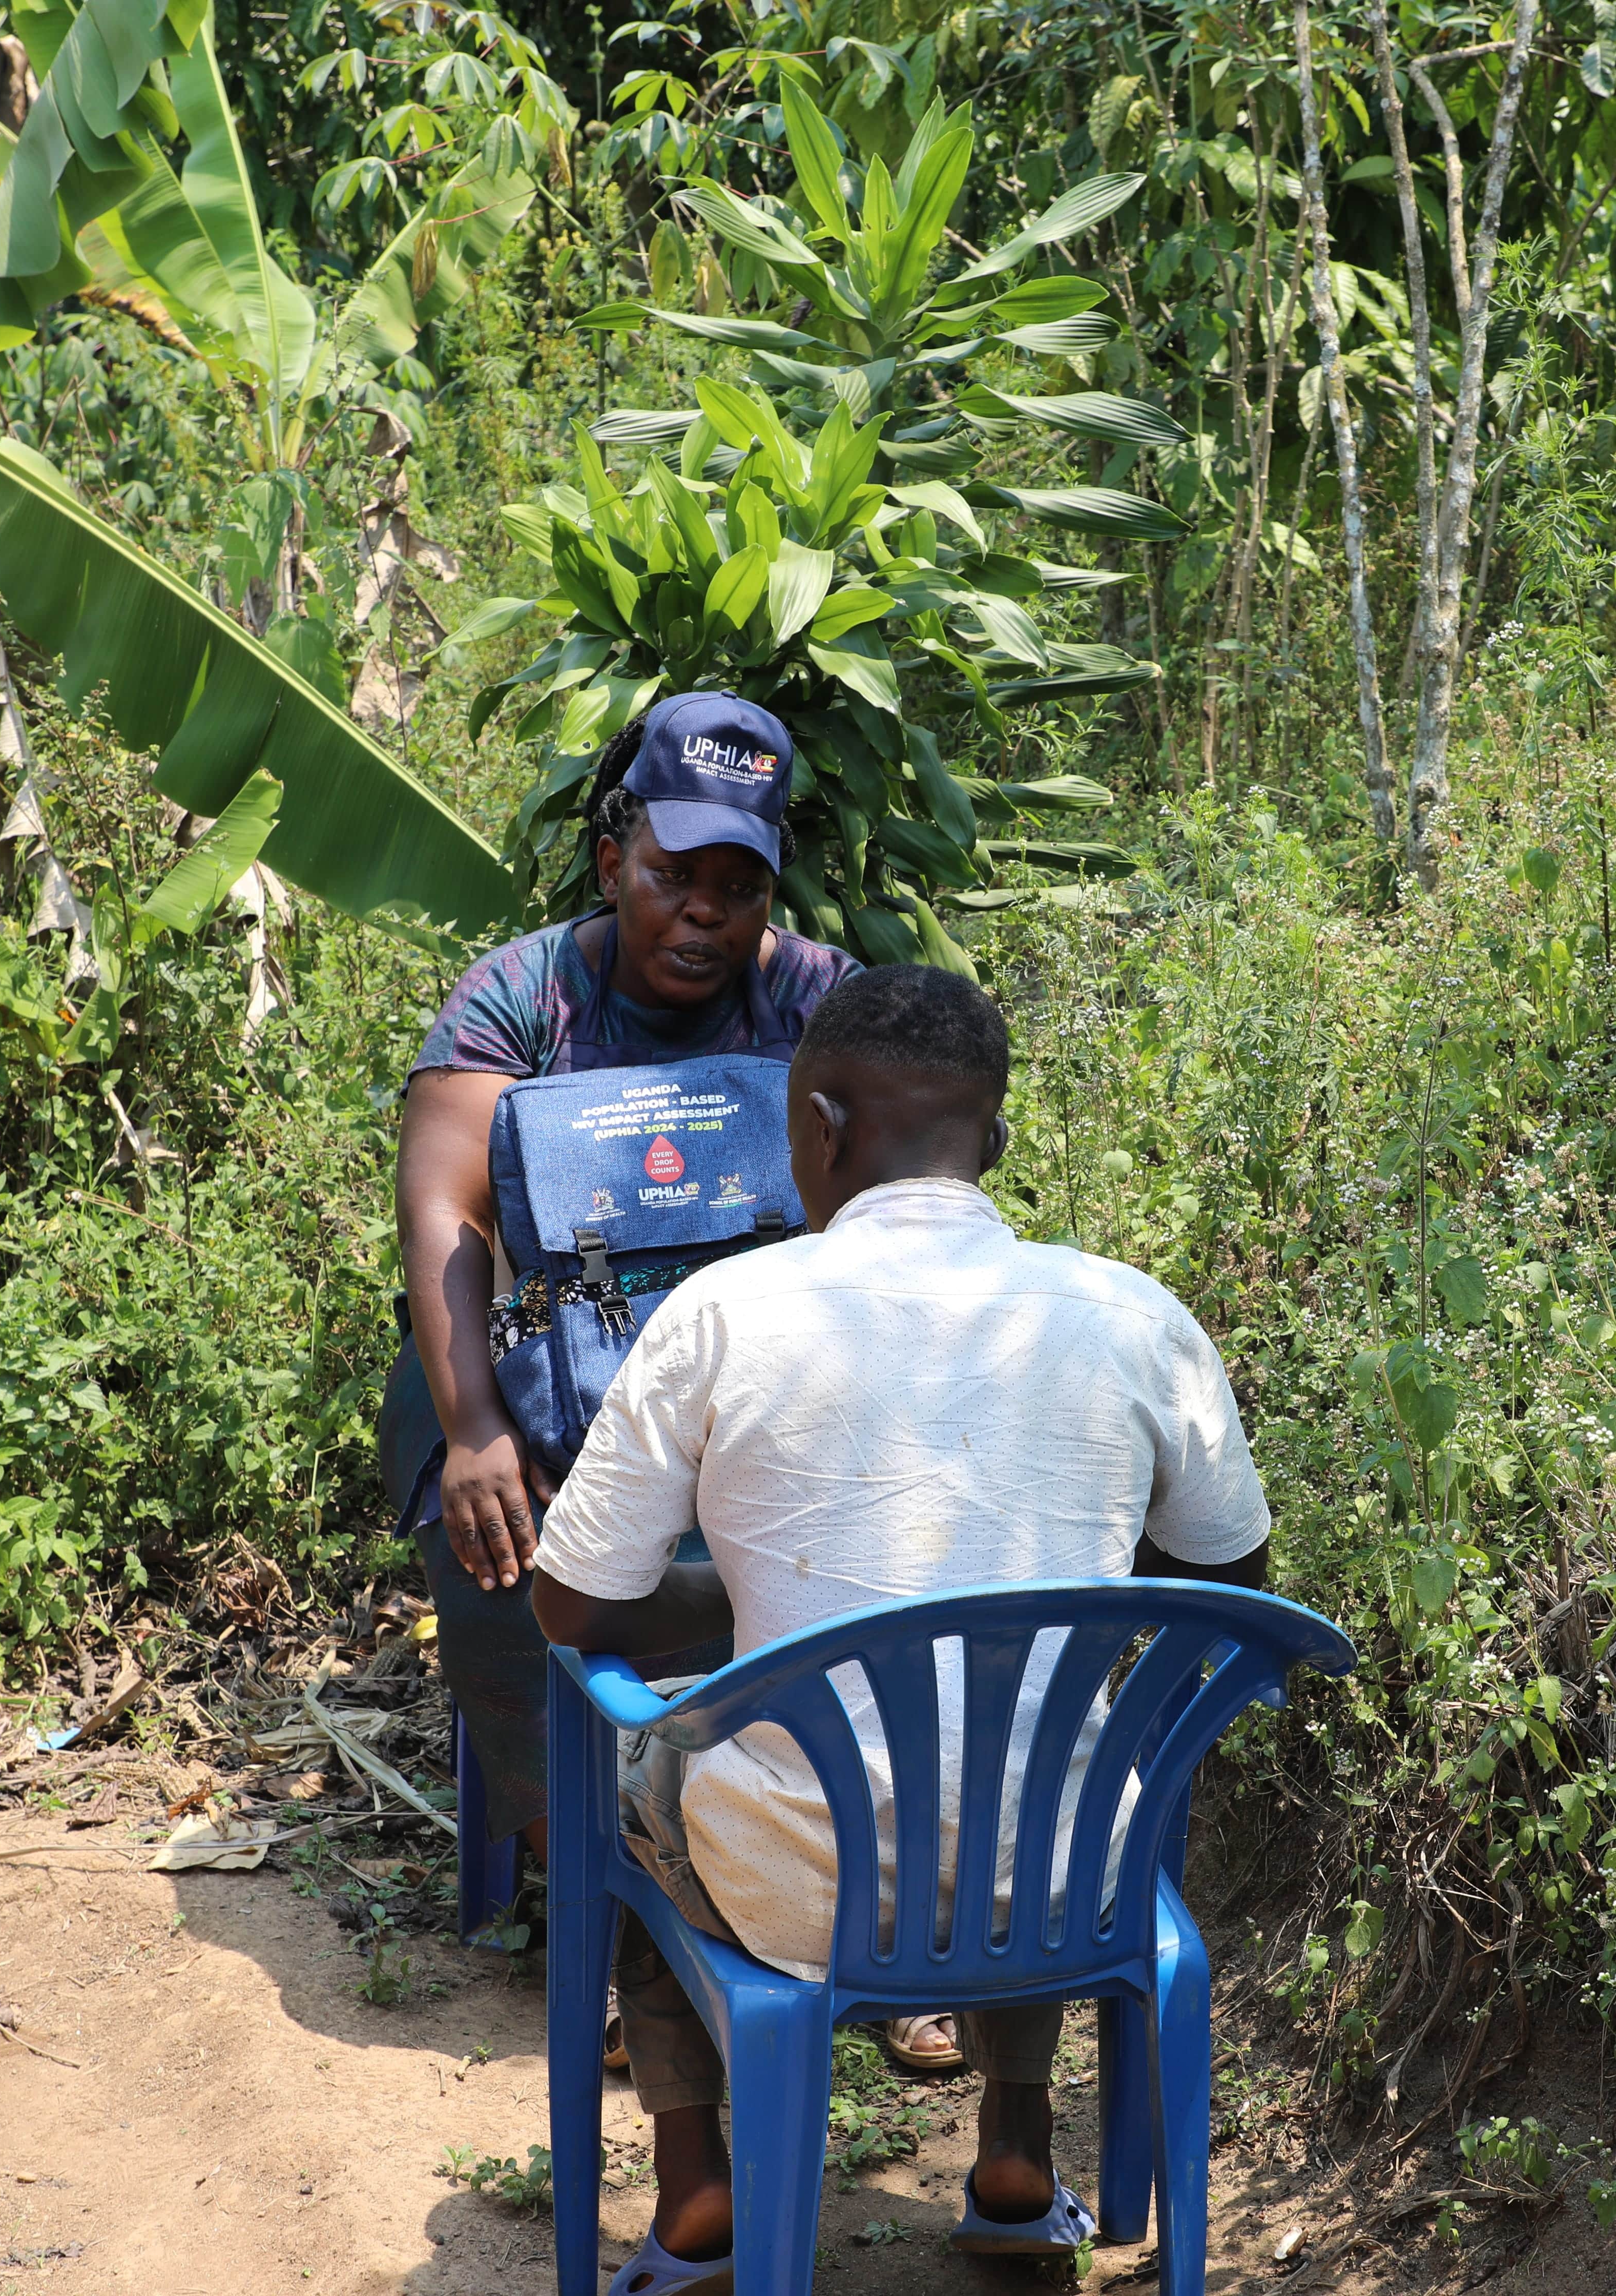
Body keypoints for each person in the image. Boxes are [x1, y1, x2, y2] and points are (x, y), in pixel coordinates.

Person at [528, 965, 1275, 2292]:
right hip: (1073, 1880)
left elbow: (571, 1605)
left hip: (802, 1891)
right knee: (1038, 1744)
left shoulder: (721, 1315)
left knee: (641, 1760)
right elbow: (1235, 1566)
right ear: (993, 1140)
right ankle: (1018, 2157)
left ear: (816, 1126)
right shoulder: (1134, 1315)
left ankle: (698, 2185)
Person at [387, 690, 958, 2062]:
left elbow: (905, 1196)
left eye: (736, 887)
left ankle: (865, 1895)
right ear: (612, 864)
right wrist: (473, 1424)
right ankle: (610, 1905)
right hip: (554, 1343)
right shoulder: (523, 996)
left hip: (760, 1362)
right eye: (672, 878)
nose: (703, 915)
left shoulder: (818, 997)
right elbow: (452, 1217)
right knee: (501, 1560)